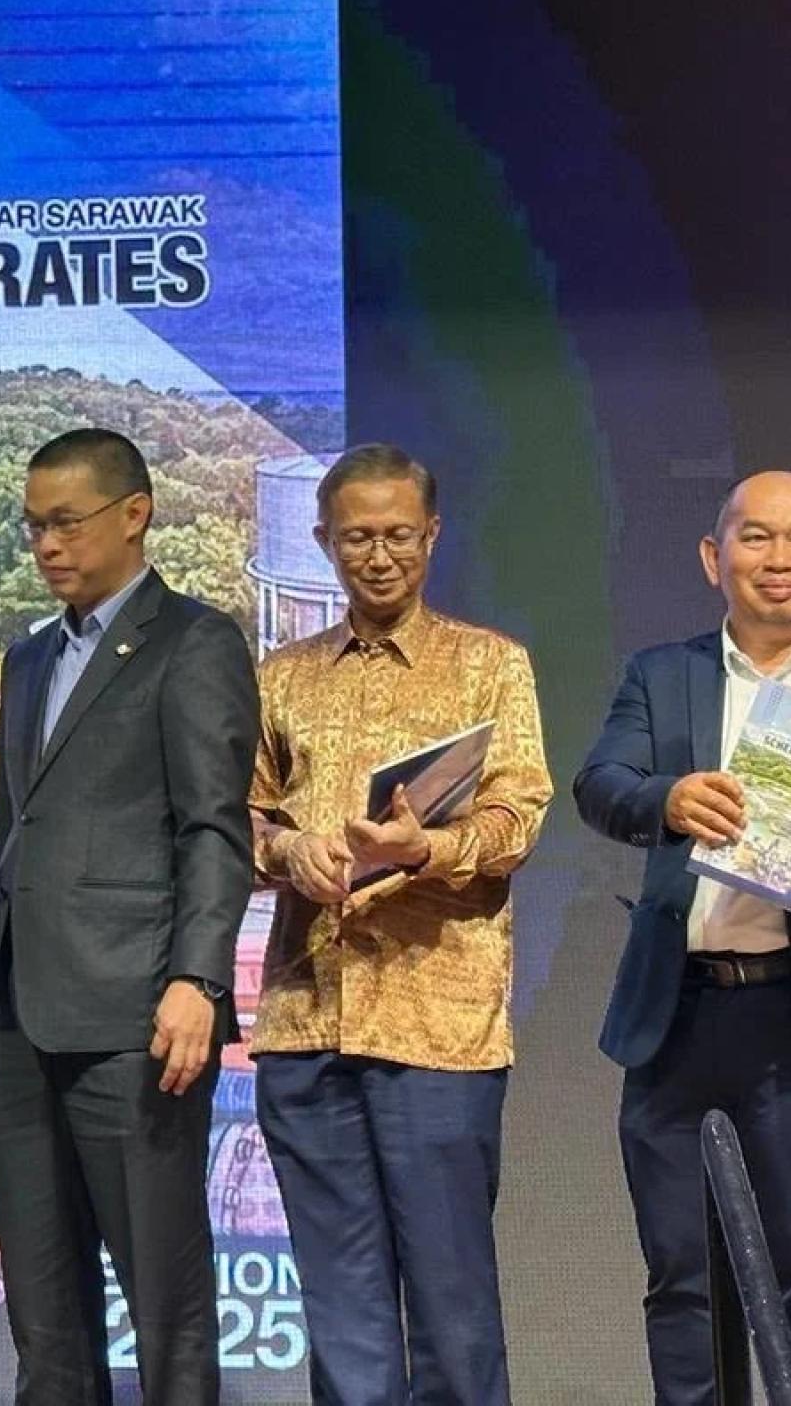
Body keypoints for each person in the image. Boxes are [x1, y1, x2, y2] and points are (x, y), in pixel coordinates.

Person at [246, 445, 552, 1404]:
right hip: (307, 1018)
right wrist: (289, 851)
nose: (378, 557)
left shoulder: (488, 666)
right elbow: (239, 815)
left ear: (432, 535)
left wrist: (426, 849)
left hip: (439, 1027)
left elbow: (520, 818)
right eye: (356, 538)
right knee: (344, 1320)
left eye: (397, 536)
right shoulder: (282, 676)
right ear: (324, 542)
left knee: (454, 1312)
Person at [0, 428, 258, 1406]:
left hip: (135, 1021)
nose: (47, 544)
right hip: (16, 1024)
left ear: (135, 514)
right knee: (43, 1320)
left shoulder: (195, 643)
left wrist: (198, 978)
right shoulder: (25, 662)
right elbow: (17, 837)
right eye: (33, 527)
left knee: (164, 1303)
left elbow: (216, 831)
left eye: (66, 522)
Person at [574, 469, 791, 1404]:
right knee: (681, 1284)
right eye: (756, 538)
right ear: (712, 557)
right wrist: (669, 799)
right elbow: (600, 785)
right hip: (677, 1015)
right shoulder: (666, 673)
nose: (779, 560)